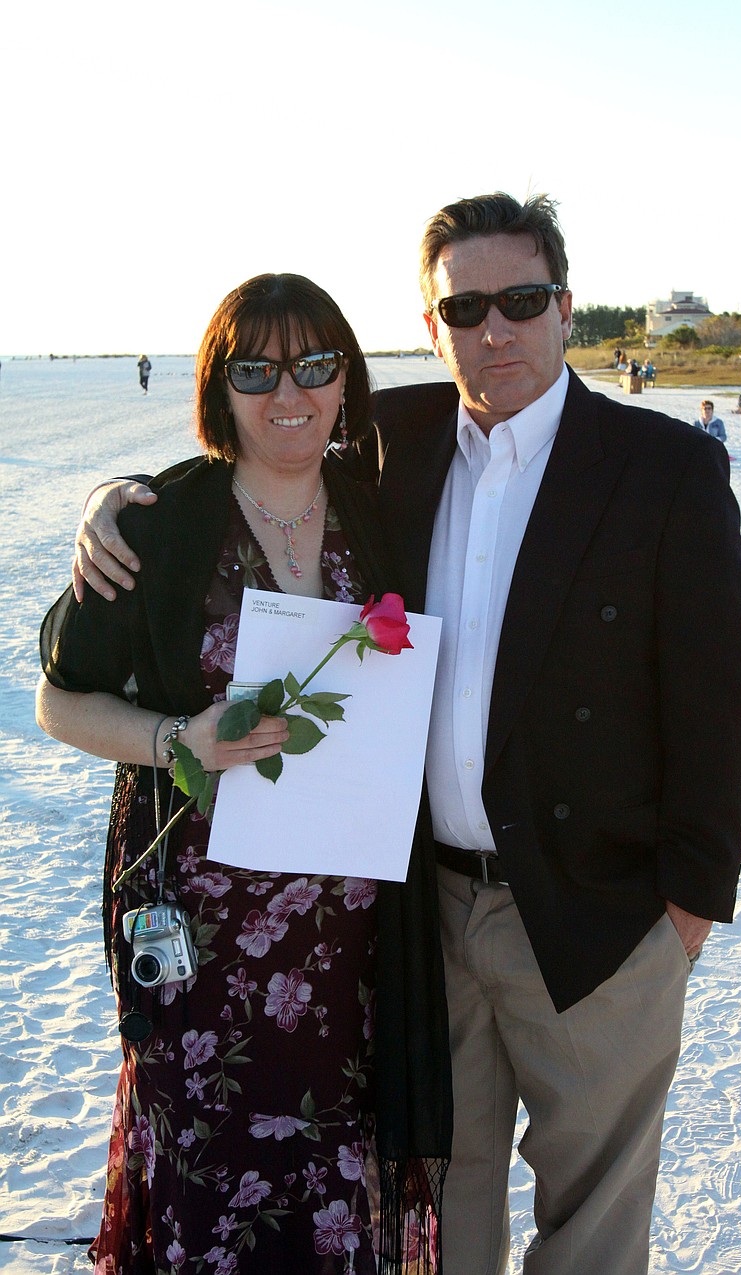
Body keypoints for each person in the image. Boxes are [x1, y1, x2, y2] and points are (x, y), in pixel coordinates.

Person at [72, 192, 741, 1275]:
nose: (495, 330)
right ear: (430, 324)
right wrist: (113, 498)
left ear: (565, 308)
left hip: (597, 909)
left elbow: (720, 703)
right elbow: (251, 451)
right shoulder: (395, 445)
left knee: (593, 1219)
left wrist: (682, 912)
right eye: (466, 307)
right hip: (421, 916)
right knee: (442, 1203)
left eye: (520, 301)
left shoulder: (663, 468)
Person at [37, 274, 452, 1274]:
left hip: (353, 950)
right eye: (255, 370)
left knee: (334, 1189)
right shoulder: (161, 526)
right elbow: (63, 701)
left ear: (347, 380)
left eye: (314, 365)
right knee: (209, 1187)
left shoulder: (387, 510)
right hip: (204, 946)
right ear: (218, 390)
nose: (288, 394)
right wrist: (180, 736)